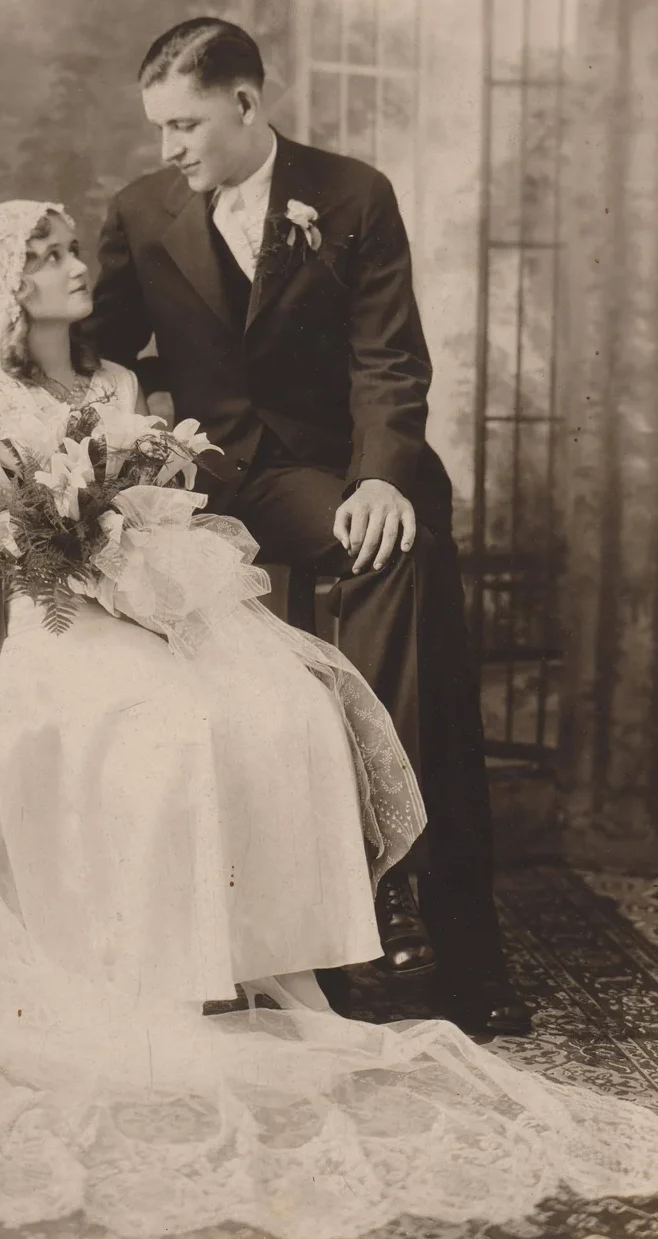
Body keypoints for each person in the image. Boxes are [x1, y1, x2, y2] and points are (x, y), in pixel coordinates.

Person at [0, 201, 658, 1239]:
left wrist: (135, 561)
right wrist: (50, 565)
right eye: (44, 255)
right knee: (173, 726)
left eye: (68, 247)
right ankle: (164, 966)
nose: (71, 266)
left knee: (281, 701)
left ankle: (278, 955)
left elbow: (153, 508)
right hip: (54, 632)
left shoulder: (115, 384)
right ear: (7, 285)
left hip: (141, 599)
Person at [87, 17, 528, 1034]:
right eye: (159, 129)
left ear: (248, 103)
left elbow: (390, 361)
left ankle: (407, 884)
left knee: (400, 555)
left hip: (331, 472)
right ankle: (355, 883)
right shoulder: (141, 210)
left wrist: (380, 480)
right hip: (214, 481)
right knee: (399, 606)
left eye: (186, 125)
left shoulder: (351, 193)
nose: (170, 151)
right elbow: (103, 352)